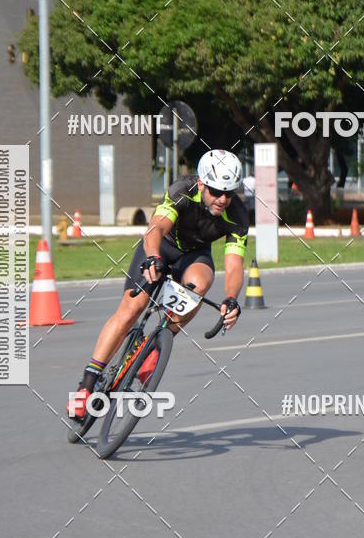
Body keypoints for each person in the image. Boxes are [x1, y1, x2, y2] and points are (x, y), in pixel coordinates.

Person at [67, 150, 249, 421]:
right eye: (215, 191)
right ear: (201, 184)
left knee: (201, 282)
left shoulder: (237, 215)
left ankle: (156, 346)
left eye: (229, 192)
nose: (223, 199)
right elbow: (156, 228)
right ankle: (88, 384)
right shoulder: (182, 190)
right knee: (131, 310)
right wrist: (152, 257)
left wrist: (231, 297)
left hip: (193, 255)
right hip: (159, 247)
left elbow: (234, 264)